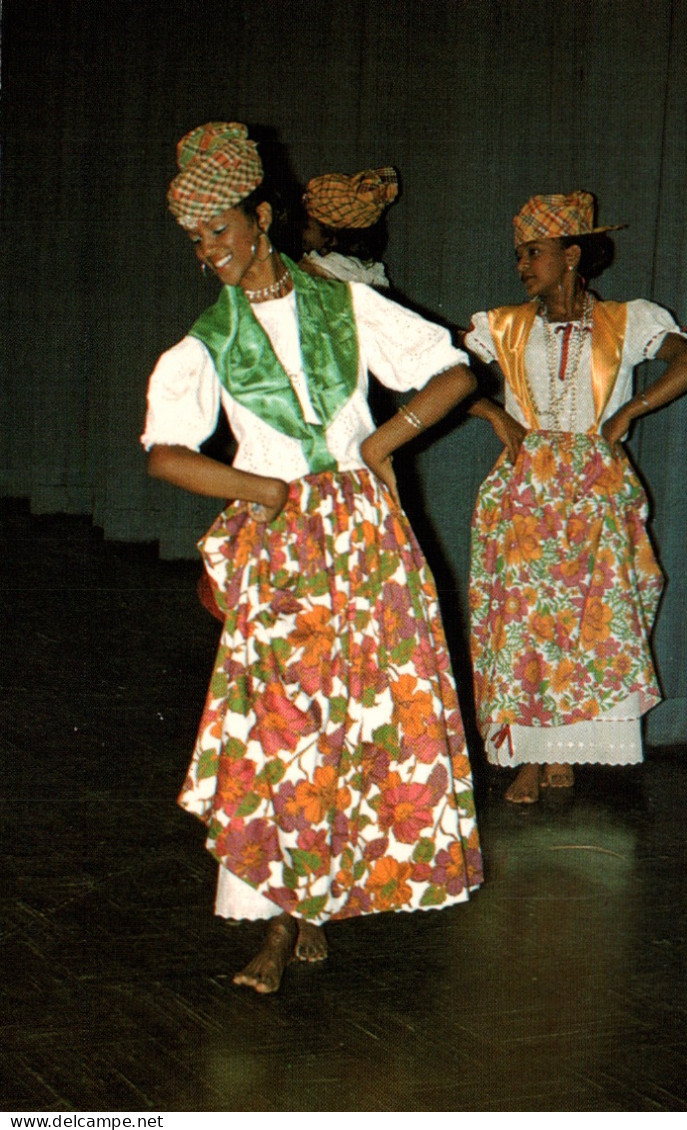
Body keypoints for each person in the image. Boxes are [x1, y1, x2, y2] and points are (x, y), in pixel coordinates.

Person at [141, 122, 483, 993]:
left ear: (261, 216)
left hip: (369, 540)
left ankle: (319, 903)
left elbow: (453, 373)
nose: (208, 251)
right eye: (195, 239)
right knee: (283, 731)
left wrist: (385, 442)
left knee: (364, 722)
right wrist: (262, 492)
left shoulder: (343, 302)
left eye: (220, 230)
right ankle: (277, 926)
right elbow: (166, 453)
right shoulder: (204, 343)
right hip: (286, 547)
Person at [464, 191, 687, 804]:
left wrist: (631, 409)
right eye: (520, 254)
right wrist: (496, 415)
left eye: (535, 252)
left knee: (590, 622)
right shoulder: (502, 325)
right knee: (523, 623)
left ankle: (566, 753)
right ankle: (526, 758)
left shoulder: (628, 319)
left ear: (572, 255)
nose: (523, 265)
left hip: (596, 488)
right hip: (524, 488)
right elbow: (433, 376)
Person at [298, 166, 398, 288]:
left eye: (307, 227)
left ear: (332, 239)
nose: (301, 232)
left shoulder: (313, 271)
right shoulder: (368, 273)